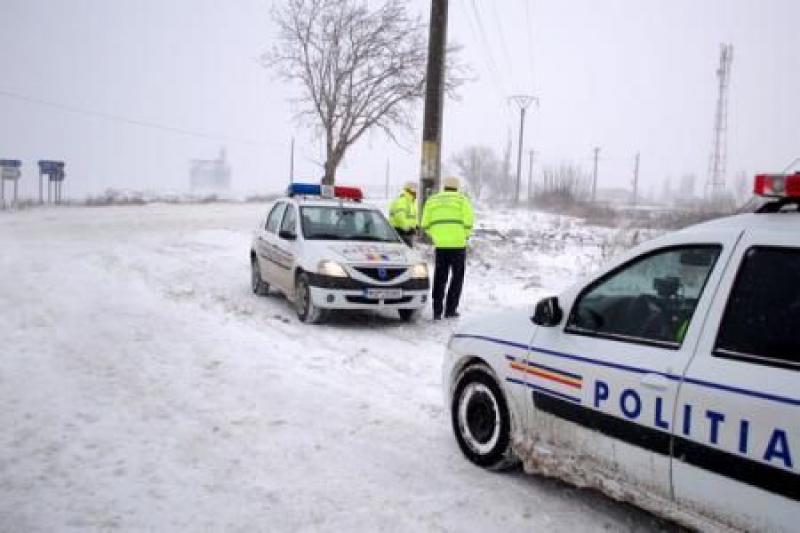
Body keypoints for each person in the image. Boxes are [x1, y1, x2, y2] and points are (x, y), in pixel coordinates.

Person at [421, 176, 474, 320]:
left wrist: (436, 236)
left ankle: (437, 311)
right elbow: (469, 222)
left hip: (441, 246)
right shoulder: (462, 200)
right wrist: (464, 236)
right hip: (458, 246)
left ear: (444, 186)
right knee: (457, 278)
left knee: (440, 277)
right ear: (457, 187)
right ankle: (450, 310)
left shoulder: (432, 200)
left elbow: (425, 224)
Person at [389, 181, 419, 246]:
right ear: (411, 190)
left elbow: (412, 217)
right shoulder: (402, 201)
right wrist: (407, 228)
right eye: (415, 190)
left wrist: (415, 226)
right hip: (401, 232)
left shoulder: (410, 201)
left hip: (407, 232)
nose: (416, 193)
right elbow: (400, 217)